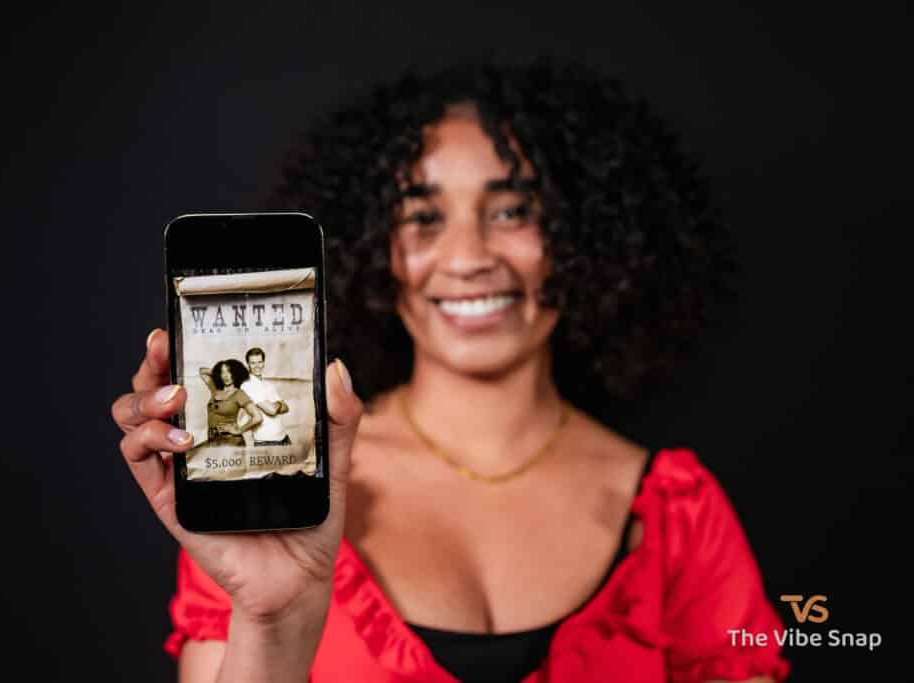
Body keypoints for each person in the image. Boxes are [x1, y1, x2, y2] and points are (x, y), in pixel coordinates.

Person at [111, 60, 790, 682]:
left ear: (584, 237)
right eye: (424, 217)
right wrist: (272, 623)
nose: (467, 257)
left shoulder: (678, 513)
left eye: (513, 211)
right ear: (377, 247)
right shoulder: (280, 493)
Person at [199, 359, 263, 446]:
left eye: (229, 372)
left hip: (231, 440)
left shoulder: (239, 394)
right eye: (222, 372)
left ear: (235, 374)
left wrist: (239, 430)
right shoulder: (215, 390)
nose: (226, 376)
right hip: (212, 439)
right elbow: (202, 371)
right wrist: (217, 373)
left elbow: (258, 417)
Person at [240, 347, 292, 446]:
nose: (257, 366)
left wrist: (275, 405)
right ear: (248, 364)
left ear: (264, 363)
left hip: (284, 437)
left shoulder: (268, 384)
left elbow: (286, 408)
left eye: (259, 362)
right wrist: (278, 403)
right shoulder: (247, 385)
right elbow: (271, 411)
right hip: (266, 441)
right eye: (253, 363)